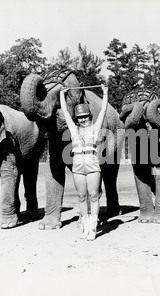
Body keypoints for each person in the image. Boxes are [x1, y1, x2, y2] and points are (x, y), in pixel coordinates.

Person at [60, 84, 108, 241]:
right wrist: (62, 94)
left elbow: (103, 111)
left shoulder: (95, 128)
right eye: (80, 117)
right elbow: (65, 111)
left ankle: (93, 227)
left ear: (89, 117)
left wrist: (105, 92)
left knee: (94, 195)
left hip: (92, 163)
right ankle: (85, 226)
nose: (83, 120)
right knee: (81, 196)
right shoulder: (73, 129)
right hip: (78, 164)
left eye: (85, 117)